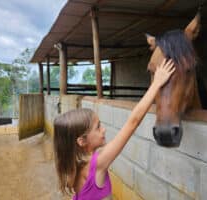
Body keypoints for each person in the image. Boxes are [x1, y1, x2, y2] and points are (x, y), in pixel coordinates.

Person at [53, 59, 175, 200]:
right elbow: (133, 122)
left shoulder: (72, 166)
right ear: (82, 141)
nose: (103, 130)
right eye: (98, 127)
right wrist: (156, 83)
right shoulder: (98, 164)